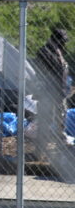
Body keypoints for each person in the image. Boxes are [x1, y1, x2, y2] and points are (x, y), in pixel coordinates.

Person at [34, 27, 69, 155]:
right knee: (45, 121)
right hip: (47, 92)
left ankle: (61, 152)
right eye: (62, 41)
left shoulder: (59, 52)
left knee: (61, 122)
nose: (64, 44)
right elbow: (47, 72)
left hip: (60, 92)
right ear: (56, 40)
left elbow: (62, 72)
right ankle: (41, 151)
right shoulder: (44, 52)